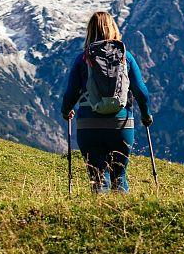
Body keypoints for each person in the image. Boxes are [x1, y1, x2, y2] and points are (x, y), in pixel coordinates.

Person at [61, 11, 151, 193]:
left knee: (98, 179)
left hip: (89, 125)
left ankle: (100, 217)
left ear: (90, 31)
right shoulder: (126, 57)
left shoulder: (82, 58)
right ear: (113, 28)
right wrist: (146, 114)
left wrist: (66, 111)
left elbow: (71, 93)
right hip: (121, 124)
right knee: (120, 175)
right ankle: (122, 218)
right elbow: (140, 90)